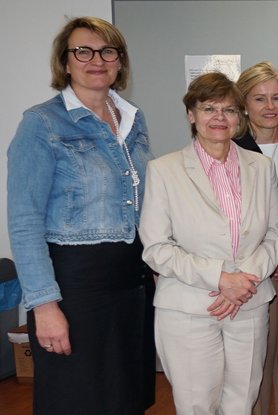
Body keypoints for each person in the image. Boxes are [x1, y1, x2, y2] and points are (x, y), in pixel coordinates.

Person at [8, 16, 156, 414]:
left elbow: (147, 203)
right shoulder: (41, 123)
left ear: (120, 61)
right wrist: (44, 305)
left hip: (134, 284)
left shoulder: (133, 119)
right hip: (76, 291)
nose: (97, 60)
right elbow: (24, 222)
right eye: (83, 51)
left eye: (108, 51)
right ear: (65, 61)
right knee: (78, 400)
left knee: (127, 399)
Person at [139, 72, 278, 415]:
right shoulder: (164, 170)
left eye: (229, 109)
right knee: (197, 405)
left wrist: (244, 279)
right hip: (189, 307)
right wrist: (220, 278)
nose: (220, 117)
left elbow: (275, 233)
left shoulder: (261, 167)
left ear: (239, 116)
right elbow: (156, 248)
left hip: (248, 302)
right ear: (191, 114)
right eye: (209, 108)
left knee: (241, 402)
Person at [232, 61, 278, 415]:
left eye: (277, 98)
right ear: (244, 104)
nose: (270, 107)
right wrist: (268, 259)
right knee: (253, 369)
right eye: (260, 99)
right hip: (252, 274)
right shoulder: (230, 149)